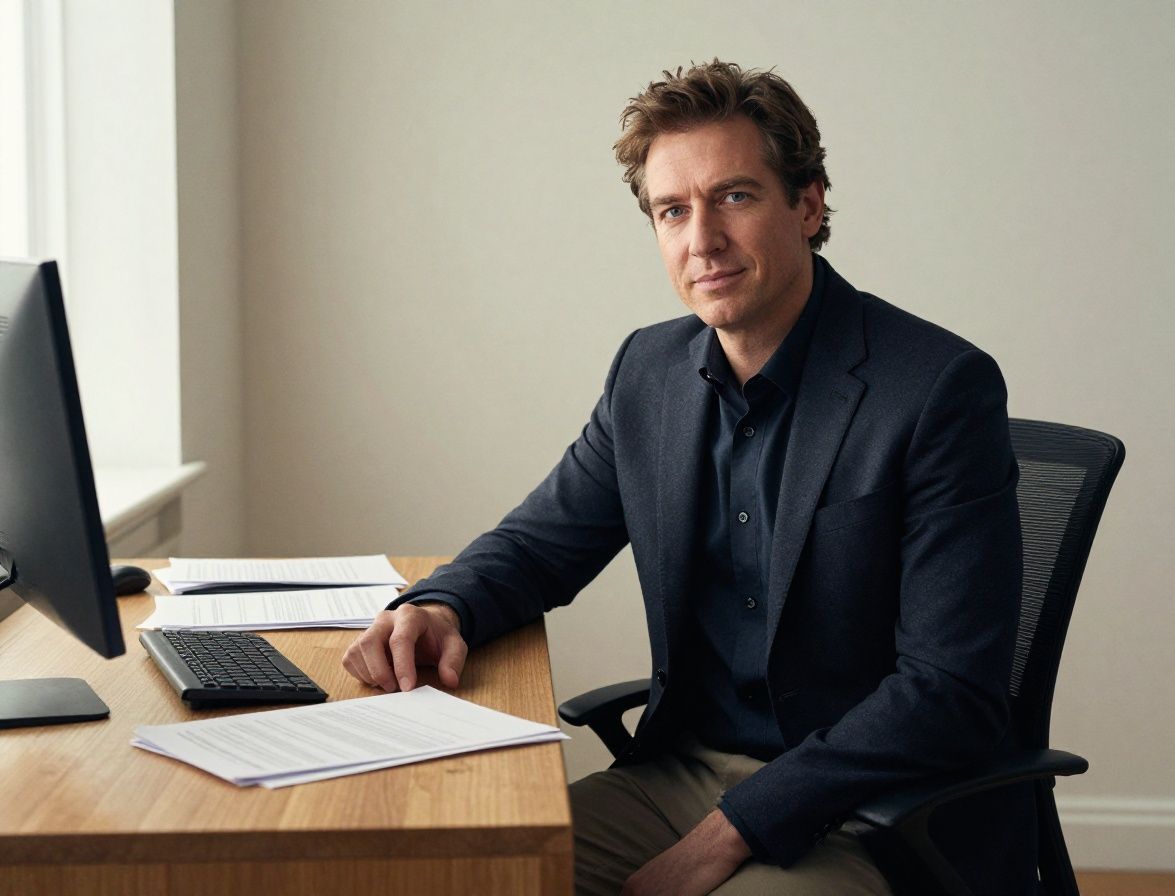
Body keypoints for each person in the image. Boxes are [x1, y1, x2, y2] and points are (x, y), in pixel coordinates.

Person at [343, 60, 1033, 895]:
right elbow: (542, 542)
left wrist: (726, 837)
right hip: (676, 777)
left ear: (808, 206)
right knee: (463, 875)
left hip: (869, 809)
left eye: (734, 197)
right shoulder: (650, 373)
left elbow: (948, 690)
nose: (701, 238)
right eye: (673, 210)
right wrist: (441, 603)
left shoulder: (934, 390)